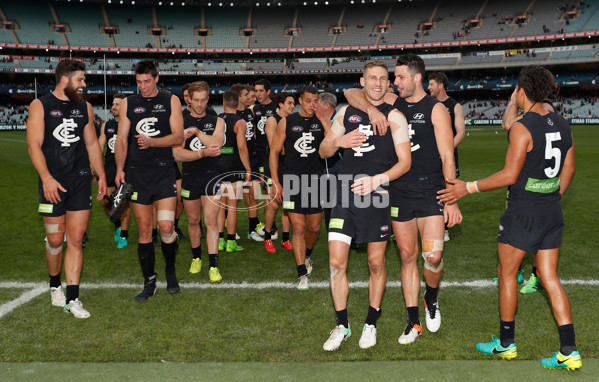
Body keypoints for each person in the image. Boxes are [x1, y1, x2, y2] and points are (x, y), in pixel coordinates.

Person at [438, 65, 580, 371]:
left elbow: (509, 175)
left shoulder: (522, 126)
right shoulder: (562, 121)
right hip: (551, 210)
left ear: (523, 91)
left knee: (506, 272)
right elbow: (568, 170)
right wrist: (551, 196)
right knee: (549, 277)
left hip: (523, 212)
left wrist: (468, 188)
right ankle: (569, 349)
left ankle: (505, 344)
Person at [344, 53, 462, 344]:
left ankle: (431, 298)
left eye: (399, 77)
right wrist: (372, 112)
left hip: (431, 192)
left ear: (417, 78)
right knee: (407, 256)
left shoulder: (435, 110)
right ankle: (413, 323)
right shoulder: (392, 102)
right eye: (392, 78)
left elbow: (448, 154)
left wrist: (451, 198)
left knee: (432, 256)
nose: (393, 82)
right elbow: (350, 92)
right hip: (397, 191)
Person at [319, 60, 412, 351]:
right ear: (362, 81)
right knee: (336, 262)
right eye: (372, 78)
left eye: (383, 79)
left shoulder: (395, 116)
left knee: (376, 262)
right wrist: (340, 141)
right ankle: (341, 325)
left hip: (376, 195)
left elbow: (405, 162)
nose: (377, 83)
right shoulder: (346, 113)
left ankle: (371, 322)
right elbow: (323, 149)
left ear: (388, 83)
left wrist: (377, 180)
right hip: (345, 194)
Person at [27, 59, 106, 318]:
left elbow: (93, 145)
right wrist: (47, 179)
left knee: (75, 240)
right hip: (53, 182)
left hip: (80, 181)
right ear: (65, 79)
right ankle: (54, 286)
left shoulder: (85, 107)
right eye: (80, 80)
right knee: (55, 240)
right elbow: (34, 146)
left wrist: (102, 176)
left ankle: (73, 299)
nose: (84, 84)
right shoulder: (40, 106)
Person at [114, 60, 184, 301]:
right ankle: (149, 282)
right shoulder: (128, 103)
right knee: (144, 230)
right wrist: (119, 169)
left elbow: (177, 138)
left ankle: (171, 270)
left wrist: (153, 142)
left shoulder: (170, 100)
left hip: (164, 171)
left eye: (147, 81)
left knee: (166, 227)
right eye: (138, 82)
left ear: (156, 78)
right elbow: (122, 139)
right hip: (137, 174)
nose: (142, 86)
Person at [500, 86, 559, 294]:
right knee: (513, 226)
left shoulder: (546, 110)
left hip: (534, 186)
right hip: (519, 180)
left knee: (537, 234)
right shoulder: (528, 114)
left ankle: (537, 275)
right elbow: (507, 124)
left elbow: (509, 123)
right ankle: (514, 270)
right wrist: (513, 100)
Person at [270, 85, 330, 290]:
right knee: (298, 227)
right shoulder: (287, 122)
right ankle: (301, 273)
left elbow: (334, 143)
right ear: (300, 102)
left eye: (316, 100)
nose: (312, 104)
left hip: (316, 181)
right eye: (308, 100)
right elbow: (274, 152)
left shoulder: (322, 122)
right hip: (292, 181)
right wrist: (276, 182)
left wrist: (323, 119)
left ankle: (307, 255)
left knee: (313, 228)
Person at [174, 81, 225, 283]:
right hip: (190, 177)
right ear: (189, 99)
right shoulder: (180, 120)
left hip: (212, 176)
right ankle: (196, 258)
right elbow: (177, 154)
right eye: (196, 100)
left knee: (211, 221)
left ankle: (213, 265)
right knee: (193, 221)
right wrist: (203, 152)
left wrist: (195, 132)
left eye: (204, 99)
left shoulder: (217, 120)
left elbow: (217, 144)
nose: (200, 104)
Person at [427, 72, 465, 241]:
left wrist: (446, 149)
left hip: (447, 156)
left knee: (447, 189)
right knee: (431, 190)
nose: (428, 87)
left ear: (440, 85)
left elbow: (461, 132)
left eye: (431, 84)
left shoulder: (454, 105)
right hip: (429, 156)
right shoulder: (429, 104)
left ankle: (444, 227)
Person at [217, 90, 252, 253]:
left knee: (220, 205)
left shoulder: (217, 120)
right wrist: (248, 168)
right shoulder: (240, 122)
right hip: (233, 164)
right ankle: (231, 242)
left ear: (224, 103)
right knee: (232, 206)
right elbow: (241, 147)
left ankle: (219, 241)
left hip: (218, 163)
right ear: (237, 103)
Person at [262, 93, 295, 253]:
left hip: (288, 165)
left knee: (287, 205)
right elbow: (275, 147)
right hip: (274, 165)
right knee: (274, 203)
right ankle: (267, 237)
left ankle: (285, 239)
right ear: (280, 104)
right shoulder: (272, 120)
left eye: (294, 103)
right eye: (289, 103)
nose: (292, 106)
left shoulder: (292, 121)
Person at [230, 84, 263, 242]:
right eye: (245, 94)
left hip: (253, 157)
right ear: (238, 98)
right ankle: (231, 228)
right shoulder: (233, 114)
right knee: (234, 198)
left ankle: (252, 229)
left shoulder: (249, 112)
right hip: (238, 160)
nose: (248, 97)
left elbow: (254, 134)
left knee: (254, 195)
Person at [98, 93, 130, 248]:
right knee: (106, 202)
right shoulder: (106, 125)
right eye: (113, 103)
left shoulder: (130, 124)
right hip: (109, 168)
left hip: (125, 168)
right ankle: (118, 226)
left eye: (118, 104)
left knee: (122, 203)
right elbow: (100, 146)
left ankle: (124, 236)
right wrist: (95, 167)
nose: (114, 107)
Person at [254, 79, 280, 239]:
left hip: (272, 152)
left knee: (272, 190)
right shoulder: (255, 109)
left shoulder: (276, 108)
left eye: (261, 91)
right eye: (256, 91)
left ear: (268, 92)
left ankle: (273, 227)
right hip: (260, 153)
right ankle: (271, 226)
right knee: (265, 191)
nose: (258, 94)